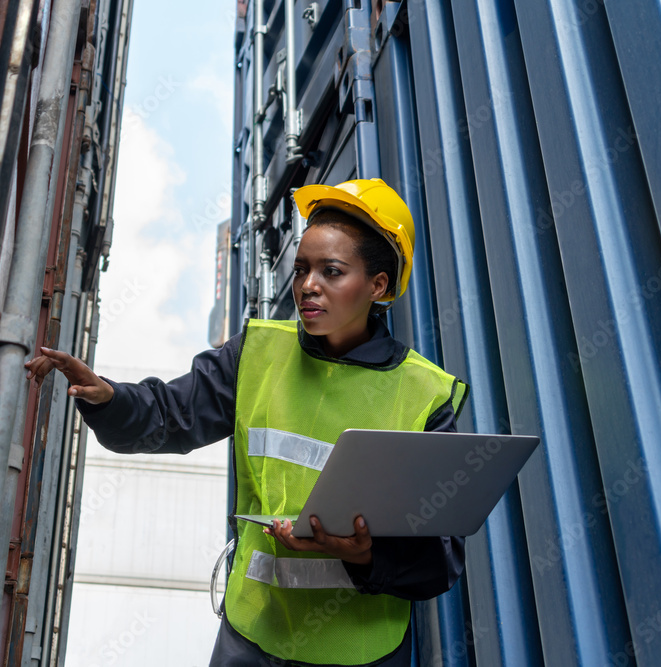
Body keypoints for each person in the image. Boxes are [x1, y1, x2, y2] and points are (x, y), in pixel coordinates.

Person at [24, 178, 469, 666]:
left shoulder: (424, 395)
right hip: (253, 638)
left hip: (359, 651)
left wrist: (363, 555)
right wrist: (108, 398)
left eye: (331, 271)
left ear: (378, 286)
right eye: (301, 270)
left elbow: (440, 560)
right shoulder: (257, 354)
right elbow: (170, 416)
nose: (308, 286)